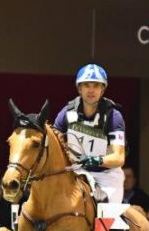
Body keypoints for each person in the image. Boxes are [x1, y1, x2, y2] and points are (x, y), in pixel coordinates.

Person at [54, 63, 126, 204]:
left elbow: (119, 157)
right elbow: (53, 143)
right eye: (87, 85)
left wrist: (96, 160)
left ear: (102, 90)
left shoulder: (113, 116)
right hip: (76, 172)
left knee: (105, 210)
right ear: (79, 89)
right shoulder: (67, 113)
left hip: (106, 176)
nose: (91, 90)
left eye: (96, 85)